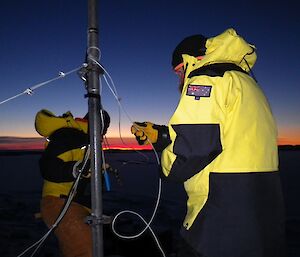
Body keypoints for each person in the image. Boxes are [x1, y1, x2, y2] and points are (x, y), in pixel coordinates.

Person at [131, 28, 286, 257]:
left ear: (191, 61)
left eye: (178, 71)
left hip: (219, 215)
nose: (179, 78)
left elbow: (193, 151)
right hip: (260, 212)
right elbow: (226, 134)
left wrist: (165, 165)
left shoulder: (205, 79)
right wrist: (162, 136)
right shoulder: (246, 84)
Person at [35, 109, 111, 257]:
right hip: (58, 202)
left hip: (79, 205)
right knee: (87, 250)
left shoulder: (89, 141)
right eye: (104, 127)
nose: (104, 132)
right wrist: (77, 169)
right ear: (97, 124)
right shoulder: (69, 134)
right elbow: (48, 167)